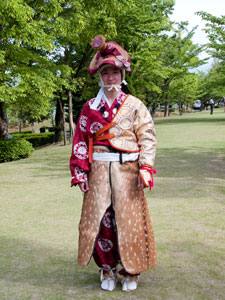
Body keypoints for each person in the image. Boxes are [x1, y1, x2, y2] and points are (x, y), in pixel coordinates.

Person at [70, 35, 157, 292]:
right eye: (106, 73)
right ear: (100, 76)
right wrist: (80, 172)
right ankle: (106, 269)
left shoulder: (135, 105)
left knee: (128, 222)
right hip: (98, 173)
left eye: (114, 73)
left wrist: (146, 167)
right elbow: (80, 140)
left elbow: (148, 137)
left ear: (122, 75)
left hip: (128, 173)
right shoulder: (89, 107)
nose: (110, 78)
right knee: (101, 222)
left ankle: (131, 271)